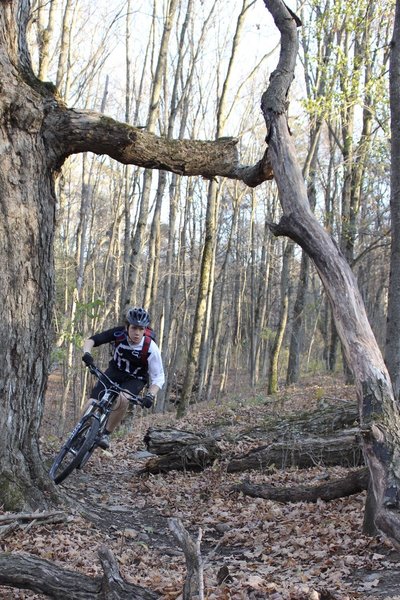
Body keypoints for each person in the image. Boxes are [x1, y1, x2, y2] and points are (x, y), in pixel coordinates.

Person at [81, 307, 165, 450]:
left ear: (145, 329)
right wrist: (87, 354)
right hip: (115, 371)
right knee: (91, 402)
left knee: (123, 398)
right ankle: (79, 431)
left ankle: (106, 434)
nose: (137, 332)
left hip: (136, 378)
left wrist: (150, 395)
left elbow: (159, 377)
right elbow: (92, 340)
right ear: (127, 327)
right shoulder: (118, 333)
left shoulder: (151, 347)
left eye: (140, 329)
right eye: (133, 328)